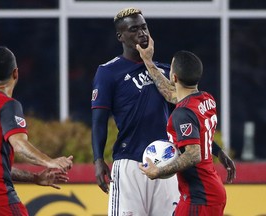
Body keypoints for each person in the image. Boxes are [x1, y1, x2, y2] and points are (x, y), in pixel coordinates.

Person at [91, 7, 235, 216]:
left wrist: (218, 151)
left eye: (144, 27)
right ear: (120, 36)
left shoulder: (166, 72)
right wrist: (97, 159)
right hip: (130, 163)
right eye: (134, 29)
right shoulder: (108, 72)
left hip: (167, 164)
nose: (142, 33)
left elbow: (189, 120)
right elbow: (98, 120)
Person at [138, 36, 231, 215]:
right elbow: (170, 93)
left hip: (200, 196)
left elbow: (193, 155)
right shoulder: (206, 99)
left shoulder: (182, 113)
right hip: (209, 191)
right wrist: (147, 61)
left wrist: (159, 171)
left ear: (173, 76)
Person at [0, 46, 73, 216]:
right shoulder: (7, 105)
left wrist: (35, 178)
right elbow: (19, 144)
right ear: (15, 73)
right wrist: (49, 161)